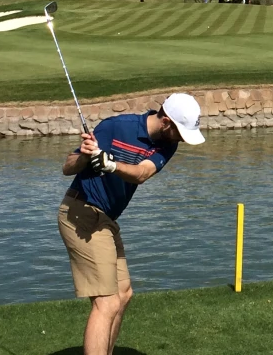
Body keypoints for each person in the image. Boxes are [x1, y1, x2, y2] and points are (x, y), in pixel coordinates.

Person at [58, 92, 205, 355]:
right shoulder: (116, 127)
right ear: (166, 122)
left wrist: (111, 165)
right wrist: (86, 156)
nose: (182, 139)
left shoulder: (167, 145)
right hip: (81, 212)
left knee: (123, 294)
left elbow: (141, 173)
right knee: (107, 302)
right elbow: (68, 167)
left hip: (105, 219)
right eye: (181, 132)